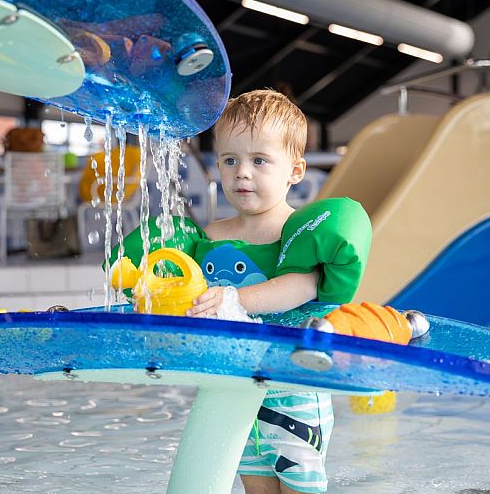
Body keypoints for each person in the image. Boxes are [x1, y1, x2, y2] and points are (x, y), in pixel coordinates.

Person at [111, 89, 372, 493]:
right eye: (230, 160)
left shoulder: (295, 234)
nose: (241, 173)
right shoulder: (213, 236)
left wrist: (236, 298)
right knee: (255, 483)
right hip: (233, 385)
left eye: (259, 161)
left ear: (295, 170)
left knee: (300, 483)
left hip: (292, 388)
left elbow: (301, 287)